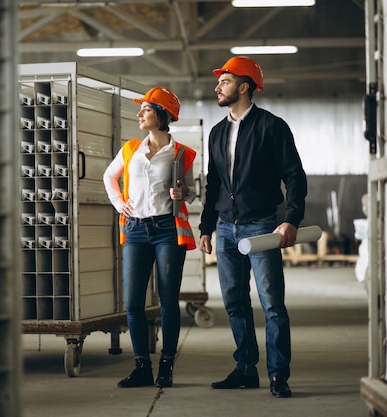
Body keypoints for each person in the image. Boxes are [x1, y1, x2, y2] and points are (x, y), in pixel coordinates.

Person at [199, 56, 307, 398]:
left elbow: (294, 176)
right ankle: (246, 368)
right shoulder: (216, 133)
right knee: (234, 301)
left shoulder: (272, 127)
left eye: (225, 81)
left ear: (244, 87)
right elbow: (212, 184)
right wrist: (206, 227)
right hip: (227, 229)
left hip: (261, 226)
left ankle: (278, 375)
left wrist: (290, 219)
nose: (218, 87)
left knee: (272, 303)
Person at [103, 87, 197, 388]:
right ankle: (142, 366)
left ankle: (166, 367)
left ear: (162, 114)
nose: (139, 114)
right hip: (135, 230)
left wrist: (184, 193)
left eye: (145, 109)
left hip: (168, 230)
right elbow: (109, 177)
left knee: (168, 301)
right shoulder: (131, 148)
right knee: (132, 302)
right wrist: (120, 204)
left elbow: (193, 192)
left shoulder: (181, 153)